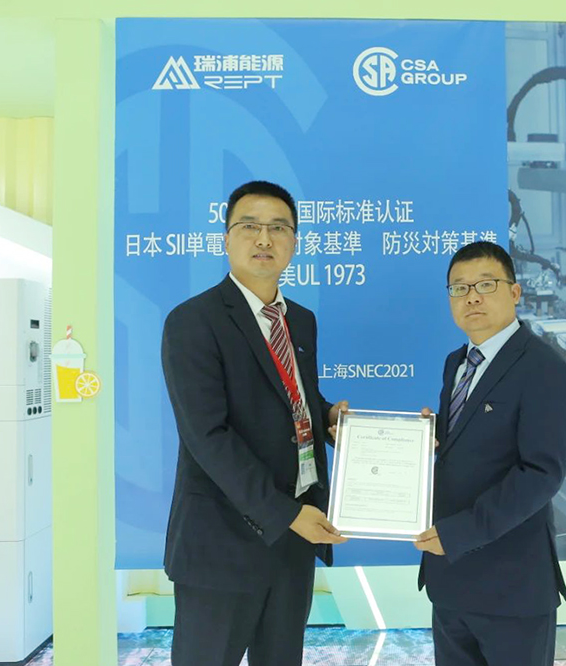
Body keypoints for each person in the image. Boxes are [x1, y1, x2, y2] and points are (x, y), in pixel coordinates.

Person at [161, 180, 348, 666]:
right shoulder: (193, 321)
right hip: (222, 542)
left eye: (278, 228)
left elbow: (291, 395)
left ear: (294, 242)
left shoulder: (299, 320)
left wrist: (327, 415)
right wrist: (284, 513)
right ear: (226, 238)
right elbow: (207, 436)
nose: (264, 238)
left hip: (292, 541)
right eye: (250, 226)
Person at [415, 241, 566, 666]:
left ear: (515, 292)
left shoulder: (546, 369)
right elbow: (472, 443)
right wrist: (428, 438)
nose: (471, 297)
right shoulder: (456, 363)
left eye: (485, 284)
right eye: (459, 288)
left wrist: (460, 533)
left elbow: (540, 474)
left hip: (512, 587)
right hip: (450, 580)